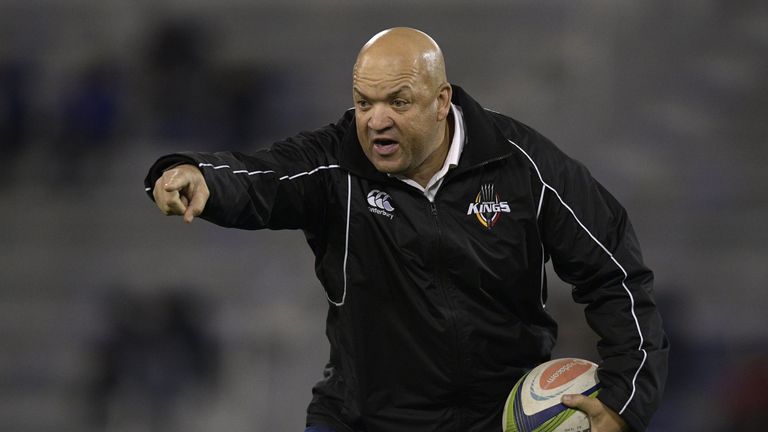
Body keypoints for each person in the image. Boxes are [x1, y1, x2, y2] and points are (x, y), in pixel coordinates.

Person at [145, 27, 668, 432]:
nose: (374, 121)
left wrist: (624, 400)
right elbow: (261, 177)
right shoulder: (334, 164)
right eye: (363, 102)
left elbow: (616, 274)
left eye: (397, 102)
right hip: (363, 419)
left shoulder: (521, 165)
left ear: (442, 102)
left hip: (495, 418)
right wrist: (193, 173)